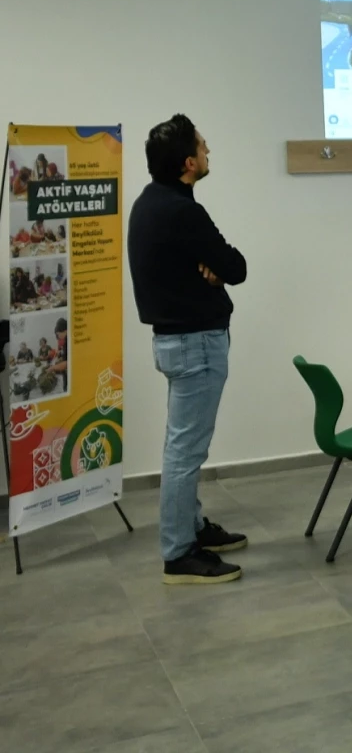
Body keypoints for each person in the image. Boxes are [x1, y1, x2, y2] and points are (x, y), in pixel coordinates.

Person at [128, 114, 249, 585]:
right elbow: (235, 266)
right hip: (194, 344)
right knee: (185, 452)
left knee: (184, 447)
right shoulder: (182, 212)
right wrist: (216, 268)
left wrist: (213, 267)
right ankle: (179, 553)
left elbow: (218, 266)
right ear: (187, 162)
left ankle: (192, 528)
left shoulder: (151, 202)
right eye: (202, 145)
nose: (208, 151)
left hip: (178, 342)